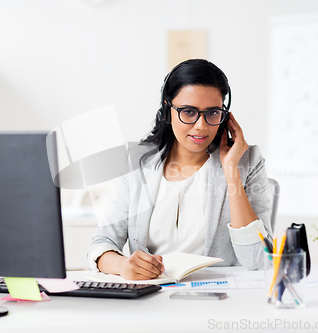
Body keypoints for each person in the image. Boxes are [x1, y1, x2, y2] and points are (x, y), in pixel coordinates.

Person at [88, 59, 272, 280]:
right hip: (153, 295)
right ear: (168, 110)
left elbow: (258, 260)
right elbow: (102, 243)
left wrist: (231, 171)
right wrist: (123, 265)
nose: (201, 125)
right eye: (188, 111)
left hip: (219, 295)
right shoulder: (136, 163)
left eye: (212, 113)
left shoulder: (247, 161)